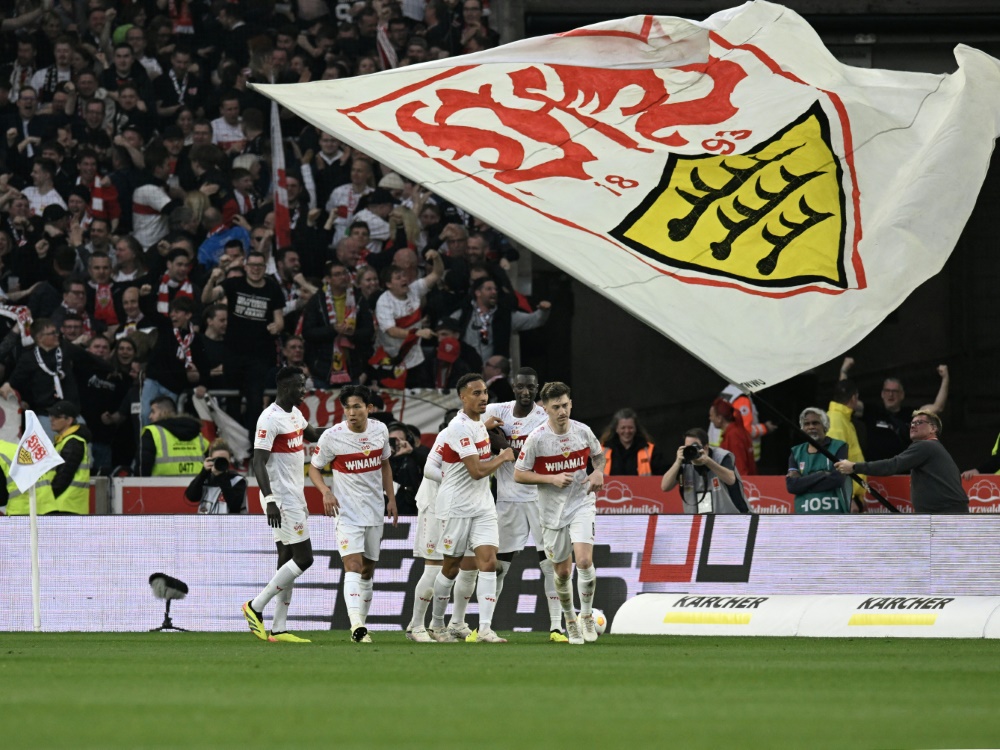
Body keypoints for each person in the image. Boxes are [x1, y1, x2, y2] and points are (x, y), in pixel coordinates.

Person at [514, 381, 605, 645]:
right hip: (552, 512)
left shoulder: (583, 431)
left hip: (581, 503)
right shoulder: (537, 438)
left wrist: (597, 471)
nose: (562, 411)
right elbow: (519, 474)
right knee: (563, 573)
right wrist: (550, 479)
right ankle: (569, 620)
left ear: (571, 404)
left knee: (585, 561)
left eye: (565, 405)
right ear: (545, 409)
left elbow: (598, 457)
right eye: (556, 407)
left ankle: (586, 615)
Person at [427, 372, 515, 644]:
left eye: (485, 392)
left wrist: (486, 426)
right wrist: (503, 457)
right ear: (462, 397)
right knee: (451, 567)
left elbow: (479, 438)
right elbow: (477, 470)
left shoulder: (478, 425)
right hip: (456, 507)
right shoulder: (457, 428)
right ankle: (437, 624)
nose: (483, 397)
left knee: (488, 563)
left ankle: (485, 629)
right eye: (475, 393)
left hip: (483, 505)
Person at [242, 366, 327, 643]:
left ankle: (278, 629)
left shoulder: (295, 413)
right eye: (300, 385)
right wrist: (269, 501)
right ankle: (255, 606)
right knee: (304, 558)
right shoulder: (269, 419)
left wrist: (348, 427)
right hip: (281, 498)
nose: (304, 390)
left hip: (294, 494)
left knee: (287, 559)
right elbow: (258, 461)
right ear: (285, 387)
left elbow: (313, 434)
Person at [308, 385, 398, 643]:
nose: (351, 412)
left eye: (357, 406)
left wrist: (391, 498)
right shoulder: (332, 436)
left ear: (369, 408)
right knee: (353, 566)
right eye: (347, 407)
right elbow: (314, 469)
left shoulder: (380, 430)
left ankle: (362, 624)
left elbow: (385, 465)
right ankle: (356, 625)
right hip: (345, 512)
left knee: (368, 570)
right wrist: (326, 491)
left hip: (374, 509)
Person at [484, 367, 566, 641]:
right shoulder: (499, 411)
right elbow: (463, 425)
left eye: (531, 387)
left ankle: (556, 626)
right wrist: (485, 431)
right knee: (498, 566)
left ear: (537, 387)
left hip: (541, 499)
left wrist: (503, 445)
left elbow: (542, 458)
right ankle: (485, 626)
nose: (526, 392)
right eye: (521, 386)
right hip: (508, 500)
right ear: (513, 386)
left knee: (550, 563)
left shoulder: (545, 418)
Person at [836, 410, 968, 514]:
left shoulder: (925, 446)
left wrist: (854, 467)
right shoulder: (937, 450)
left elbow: (892, 465)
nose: (913, 426)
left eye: (919, 422)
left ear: (933, 429)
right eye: (912, 423)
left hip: (945, 515)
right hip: (948, 513)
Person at [404, 427, 448, 642]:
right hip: (433, 504)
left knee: (451, 569)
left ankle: (421, 623)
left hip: (455, 506)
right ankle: (417, 625)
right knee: (434, 566)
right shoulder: (450, 437)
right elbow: (427, 464)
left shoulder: (479, 436)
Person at [661, 428, 747, 514]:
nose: (691, 451)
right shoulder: (684, 462)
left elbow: (731, 479)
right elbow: (665, 487)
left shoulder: (721, 456)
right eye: (688, 447)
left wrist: (708, 461)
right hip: (698, 521)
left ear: (706, 447)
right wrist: (677, 462)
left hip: (729, 518)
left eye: (694, 447)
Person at [786, 408, 851, 514]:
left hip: (833, 513)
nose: (811, 427)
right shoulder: (796, 452)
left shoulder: (839, 447)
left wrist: (804, 484)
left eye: (815, 423)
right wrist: (822, 474)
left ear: (824, 426)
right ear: (803, 428)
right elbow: (792, 486)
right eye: (807, 424)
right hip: (804, 515)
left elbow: (837, 479)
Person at [137, 396, 208, 476]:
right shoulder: (196, 432)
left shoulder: (152, 432)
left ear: (164, 412)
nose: (150, 416)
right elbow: (209, 461)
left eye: (153, 412)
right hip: (195, 485)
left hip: (161, 486)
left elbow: (143, 464)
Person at [42, 400, 91, 515]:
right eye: (51, 415)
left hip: (65, 506)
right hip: (65, 505)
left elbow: (63, 477)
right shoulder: (64, 441)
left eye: (57, 416)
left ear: (69, 420)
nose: (51, 419)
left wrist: (47, 498)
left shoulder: (73, 442)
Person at [826, 379, 866, 511]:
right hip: (845, 498)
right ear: (854, 398)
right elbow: (835, 463)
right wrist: (848, 498)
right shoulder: (837, 421)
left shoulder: (842, 419)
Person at [184, 438, 247, 514]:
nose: (220, 462)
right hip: (205, 524)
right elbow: (191, 497)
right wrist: (203, 472)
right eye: (217, 460)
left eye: (224, 460)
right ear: (210, 459)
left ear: (229, 460)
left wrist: (221, 476)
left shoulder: (238, 480)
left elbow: (235, 506)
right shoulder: (205, 478)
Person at [600, 407, 666, 476]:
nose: (627, 431)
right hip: (611, 487)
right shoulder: (602, 451)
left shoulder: (650, 451)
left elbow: (665, 476)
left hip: (642, 487)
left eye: (630, 427)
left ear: (635, 428)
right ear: (616, 429)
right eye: (623, 428)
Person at [710, 397, 756, 476]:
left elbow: (740, 469)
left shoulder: (733, 435)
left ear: (719, 418)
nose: (710, 418)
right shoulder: (736, 431)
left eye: (711, 416)